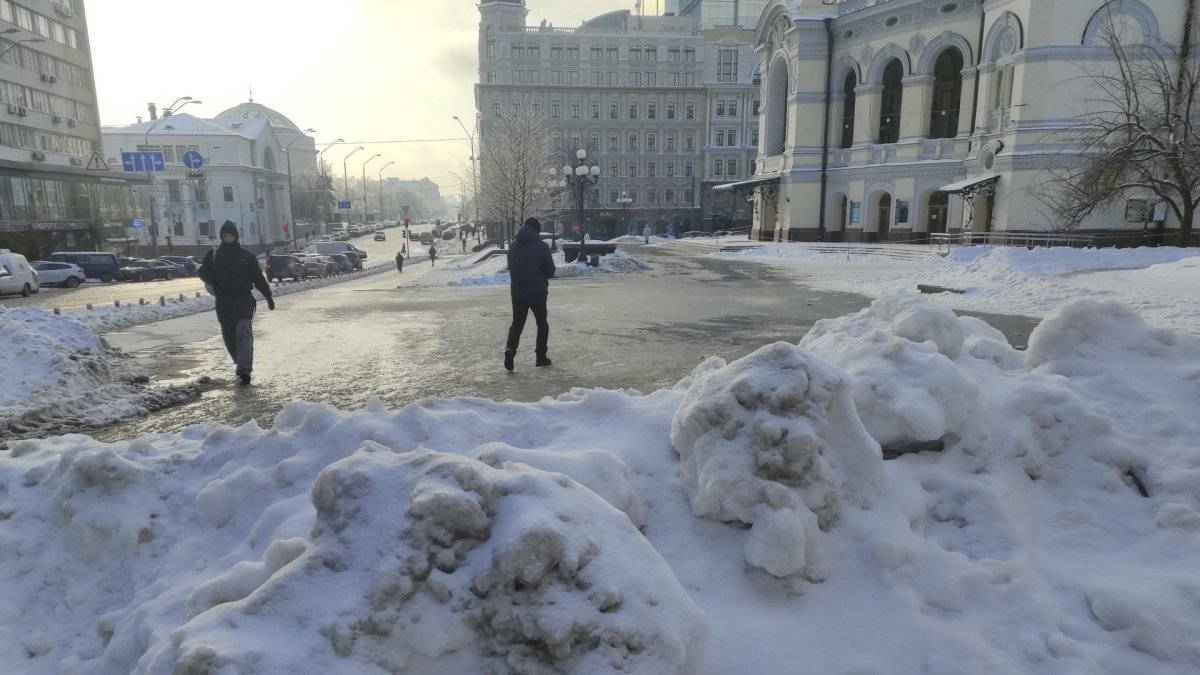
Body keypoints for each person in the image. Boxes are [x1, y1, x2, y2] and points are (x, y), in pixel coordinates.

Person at [198, 221, 274, 385]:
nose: (228, 238)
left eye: (230, 235)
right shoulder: (214, 255)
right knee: (230, 337)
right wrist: (210, 279)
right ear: (221, 237)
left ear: (236, 236)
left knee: (244, 335)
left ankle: (245, 369)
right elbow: (203, 271)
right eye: (225, 235)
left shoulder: (246, 256)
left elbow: (258, 278)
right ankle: (239, 363)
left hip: (243, 300)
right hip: (224, 302)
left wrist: (268, 297)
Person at [504, 217, 555, 371]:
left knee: (517, 324)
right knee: (542, 324)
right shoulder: (542, 246)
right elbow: (551, 270)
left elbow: (510, 267)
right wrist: (541, 277)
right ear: (537, 230)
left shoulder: (513, 247)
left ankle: (510, 350)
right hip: (537, 292)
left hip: (518, 293)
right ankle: (540, 357)